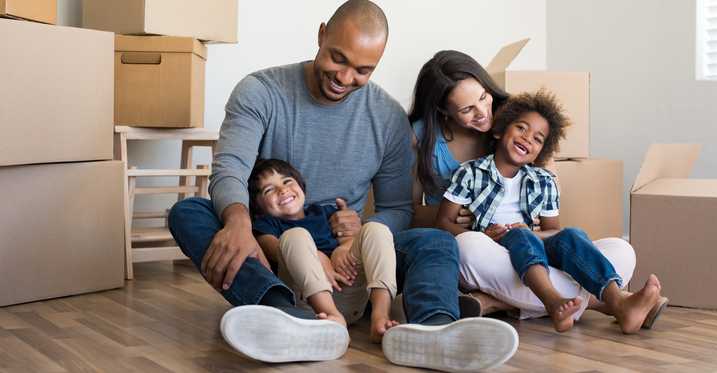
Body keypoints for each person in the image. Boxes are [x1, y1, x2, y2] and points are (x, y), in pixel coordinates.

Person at [168, 1, 518, 370]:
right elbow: (231, 168)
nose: (345, 77)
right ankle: (283, 313)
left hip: (351, 259)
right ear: (322, 34)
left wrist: (359, 235)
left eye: (363, 70)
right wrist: (239, 223)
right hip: (272, 245)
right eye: (338, 58)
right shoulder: (260, 91)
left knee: (436, 240)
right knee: (189, 213)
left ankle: (434, 329)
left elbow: (398, 209)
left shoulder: (387, 118)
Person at [408, 50, 668, 327]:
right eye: (467, 109)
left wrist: (535, 233)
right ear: (442, 111)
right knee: (470, 246)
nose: (484, 112)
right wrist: (472, 223)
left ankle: (495, 302)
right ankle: (605, 303)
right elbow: (415, 214)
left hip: (533, 247)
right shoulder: (455, 161)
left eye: (483, 97)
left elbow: (552, 225)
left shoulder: (522, 128)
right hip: (482, 248)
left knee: (621, 250)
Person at [247, 158, 398, 343]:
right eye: (269, 190)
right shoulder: (266, 225)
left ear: (302, 187)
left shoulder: (324, 212)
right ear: (258, 206)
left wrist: (342, 249)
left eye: (287, 182)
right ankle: (332, 317)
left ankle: (380, 316)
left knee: (376, 229)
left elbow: (350, 239)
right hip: (309, 301)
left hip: (349, 289)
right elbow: (273, 249)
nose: (283, 190)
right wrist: (317, 257)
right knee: (295, 235)